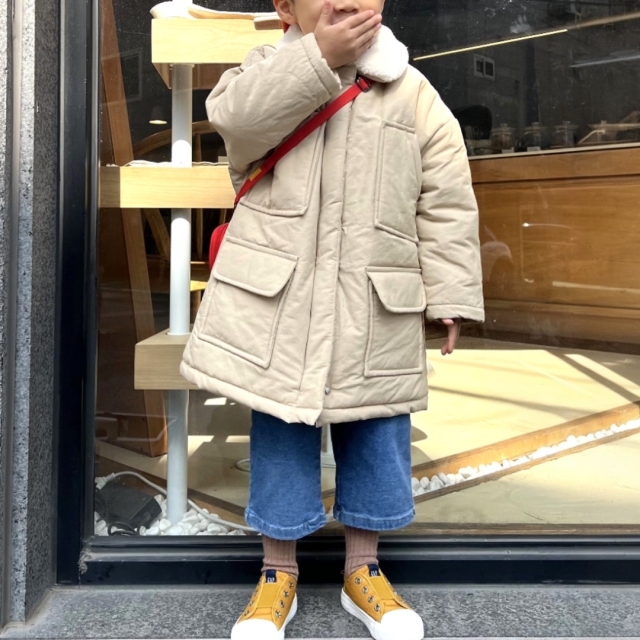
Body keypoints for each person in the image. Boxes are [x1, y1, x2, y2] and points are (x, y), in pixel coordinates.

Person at [180, 0, 484, 637]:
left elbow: (446, 198)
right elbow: (237, 125)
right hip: (282, 301)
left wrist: (451, 292)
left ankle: (363, 569)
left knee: (376, 428)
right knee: (280, 427)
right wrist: (318, 58)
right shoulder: (266, 67)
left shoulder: (412, 90)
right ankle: (277, 571)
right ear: (284, 5)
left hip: (376, 300)